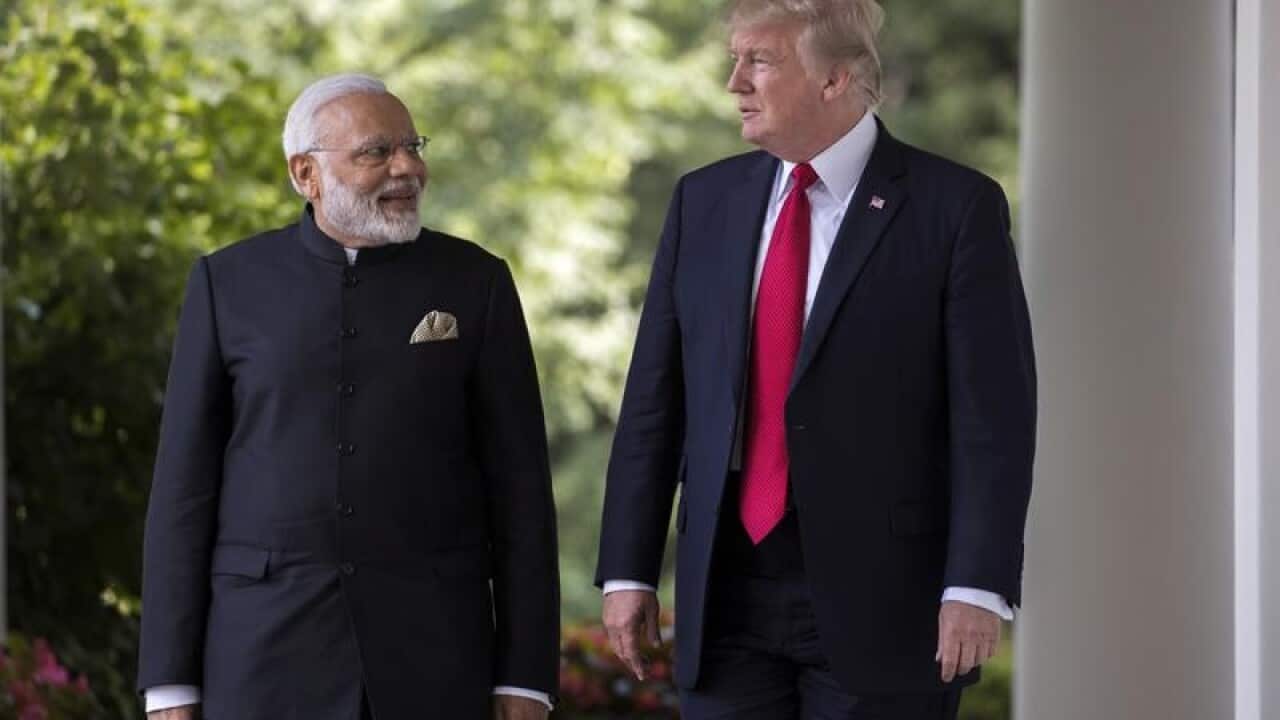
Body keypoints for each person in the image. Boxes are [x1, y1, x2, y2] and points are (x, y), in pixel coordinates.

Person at [596, 1, 1036, 717]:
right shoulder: (701, 202)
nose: (734, 81)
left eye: (759, 61)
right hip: (726, 594)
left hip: (890, 605)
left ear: (835, 79)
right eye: (735, 59)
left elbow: (995, 418)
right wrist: (626, 570)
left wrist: (975, 586)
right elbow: (654, 401)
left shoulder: (955, 209)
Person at [137, 73, 559, 720]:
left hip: (436, 658)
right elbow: (183, 490)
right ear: (306, 173)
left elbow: (521, 490)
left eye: (413, 146)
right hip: (260, 657)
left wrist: (525, 677)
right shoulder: (227, 284)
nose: (408, 167)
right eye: (376, 151)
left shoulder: (477, 282)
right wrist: (170, 681)